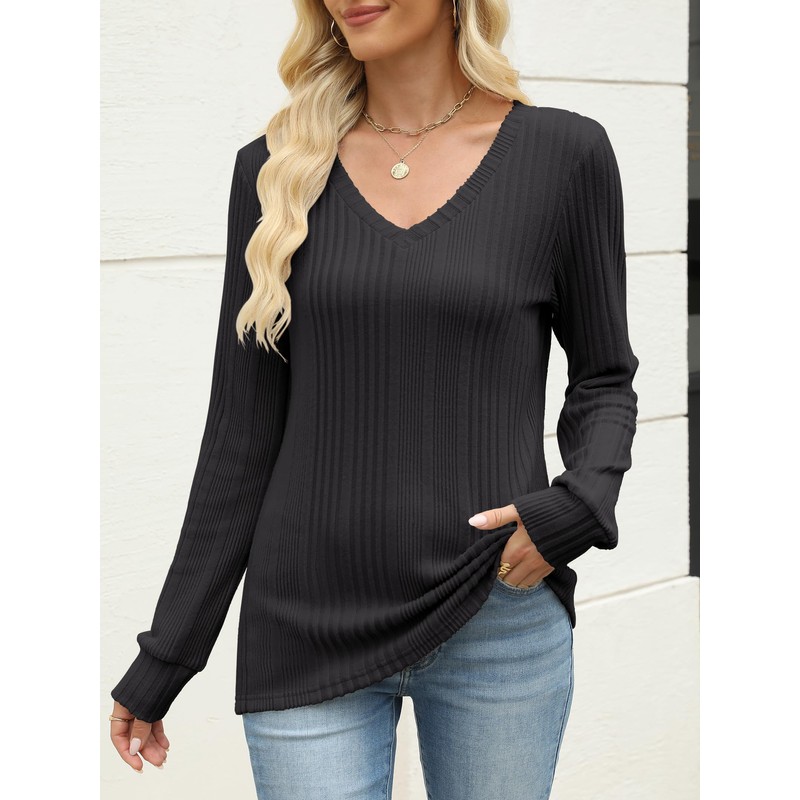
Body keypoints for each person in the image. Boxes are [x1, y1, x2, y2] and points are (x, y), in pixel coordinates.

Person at [108, 1, 640, 797]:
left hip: (495, 609)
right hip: (303, 626)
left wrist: (580, 505)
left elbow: (603, 377)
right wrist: (168, 654)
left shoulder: (564, 155)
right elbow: (240, 438)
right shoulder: (276, 170)